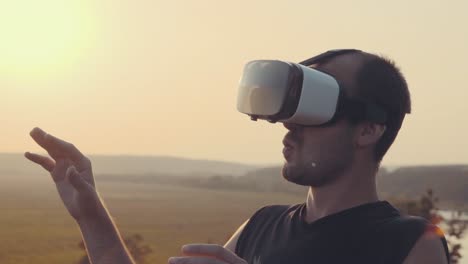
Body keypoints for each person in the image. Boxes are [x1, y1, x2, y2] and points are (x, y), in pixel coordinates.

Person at [25, 49, 450, 264]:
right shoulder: (259, 226)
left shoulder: (411, 242)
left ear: (369, 128)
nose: (289, 125)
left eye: (315, 107)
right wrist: (91, 215)